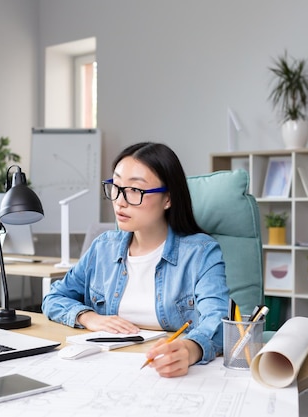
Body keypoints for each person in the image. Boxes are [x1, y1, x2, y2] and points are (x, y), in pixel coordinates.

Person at [42, 142, 229, 377]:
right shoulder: (103, 248)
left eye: (134, 190)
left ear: (168, 199)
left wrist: (190, 349)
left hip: (168, 372)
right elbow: (54, 297)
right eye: (116, 186)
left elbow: (221, 322)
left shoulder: (201, 253)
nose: (120, 201)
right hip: (104, 369)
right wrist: (90, 318)